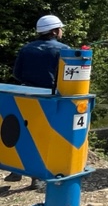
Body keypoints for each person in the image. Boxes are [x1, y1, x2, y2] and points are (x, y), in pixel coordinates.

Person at [5, 15, 70, 187]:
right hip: (49, 98)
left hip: (25, 96)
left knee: (22, 132)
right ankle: (37, 177)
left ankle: (16, 169)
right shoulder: (63, 50)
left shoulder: (26, 49)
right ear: (55, 31)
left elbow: (17, 73)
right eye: (60, 28)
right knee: (42, 136)